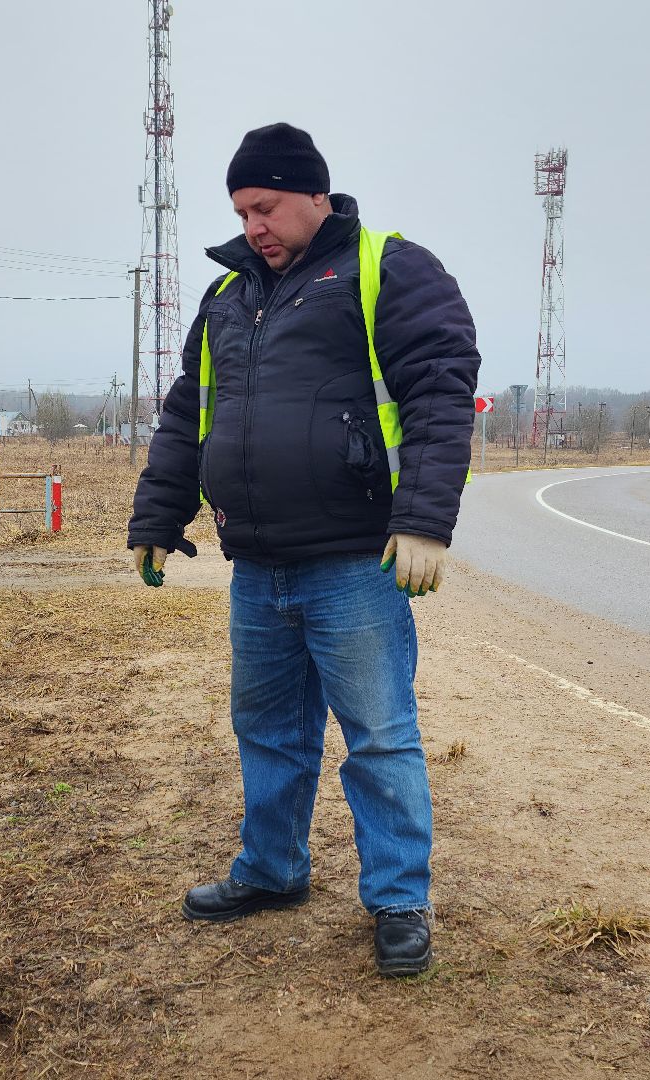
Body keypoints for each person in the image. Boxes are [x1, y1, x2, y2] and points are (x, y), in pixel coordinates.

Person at [128, 123, 481, 976]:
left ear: (315, 195)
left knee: (378, 735)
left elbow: (439, 387)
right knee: (268, 729)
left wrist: (425, 521)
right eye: (243, 210)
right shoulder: (227, 298)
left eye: (267, 206)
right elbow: (189, 415)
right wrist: (156, 514)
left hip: (355, 563)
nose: (254, 224)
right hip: (257, 565)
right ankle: (272, 870)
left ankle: (398, 899)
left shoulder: (386, 267)